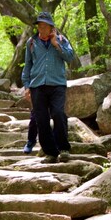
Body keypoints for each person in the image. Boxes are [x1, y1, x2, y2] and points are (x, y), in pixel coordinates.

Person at [21, 11, 75, 163]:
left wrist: (56, 45)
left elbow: (70, 57)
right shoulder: (31, 43)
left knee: (58, 113)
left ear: (51, 27)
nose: (42, 29)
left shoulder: (61, 39)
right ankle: (50, 152)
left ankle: (64, 149)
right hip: (37, 85)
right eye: (39, 26)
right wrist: (26, 86)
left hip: (57, 83)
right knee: (41, 119)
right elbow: (28, 65)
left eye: (45, 26)